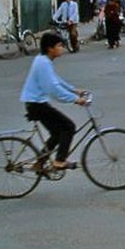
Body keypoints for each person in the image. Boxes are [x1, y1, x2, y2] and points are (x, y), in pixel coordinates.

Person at [20, 32, 88, 170]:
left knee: (57, 133)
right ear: (50, 48)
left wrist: (74, 90)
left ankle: (40, 162)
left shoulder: (43, 60)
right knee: (69, 127)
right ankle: (59, 160)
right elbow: (53, 88)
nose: (62, 48)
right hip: (37, 105)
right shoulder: (43, 63)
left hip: (35, 103)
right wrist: (75, 99)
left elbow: (56, 80)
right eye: (59, 45)